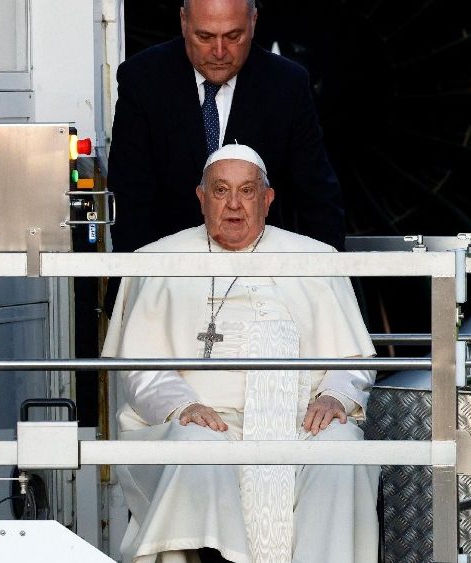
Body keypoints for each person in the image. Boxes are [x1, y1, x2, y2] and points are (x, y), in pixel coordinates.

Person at [103, 144, 377, 563]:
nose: (234, 205)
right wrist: (184, 406)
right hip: (207, 420)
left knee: (340, 445)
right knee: (195, 444)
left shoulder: (316, 258)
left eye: (247, 191)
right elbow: (140, 369)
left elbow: (352, 361)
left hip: (298, 420)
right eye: (221, 191)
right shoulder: (158, 260)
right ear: (201, 198)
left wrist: (334, 396)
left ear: (267, 200)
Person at [106, 0, 345, 255]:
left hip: (263, 278)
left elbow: (318, 199)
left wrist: (329, 280)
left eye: (233, 36)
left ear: (253, 21)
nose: (219, 52)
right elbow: (130, 200)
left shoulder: (287, 85)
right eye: (205, 36)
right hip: (168, 275)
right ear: (183, 21)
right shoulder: (143, 80)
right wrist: (136, 285)